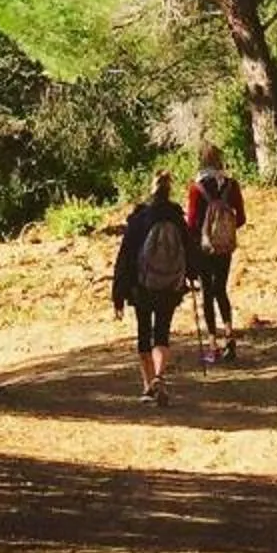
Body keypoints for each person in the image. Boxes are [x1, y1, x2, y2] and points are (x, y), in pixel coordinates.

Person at [111, 169, 193, 403]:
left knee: (144, 332)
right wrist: (194, 276)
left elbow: (125, 257)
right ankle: (160, 376)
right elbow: (190, 250)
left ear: (152, 188)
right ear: (169, 190)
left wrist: (118, 294)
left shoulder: (140, 219)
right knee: (162, 333)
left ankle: (148, 385)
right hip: (170, 286)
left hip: (142, 287)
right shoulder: (176, 217)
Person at [187, 142, 247, 362]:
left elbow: (192, 222)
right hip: (225, 247)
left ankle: (212, 346)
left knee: (207, 294)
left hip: (203, 248)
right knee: (221, 289)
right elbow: (240, 219)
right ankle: (230, 338)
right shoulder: (231, 185)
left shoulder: (196, 188)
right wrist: (224, 228)